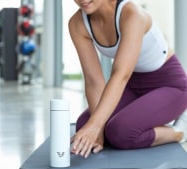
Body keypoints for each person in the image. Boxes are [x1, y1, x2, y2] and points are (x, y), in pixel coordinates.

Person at [69, 0, 187, 158]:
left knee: (120, 133)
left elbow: (120, 74)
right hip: (132, 86)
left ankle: (179, 131)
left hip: (170, 86)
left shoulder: (132, 14)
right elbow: (93, 80)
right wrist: (95, 129)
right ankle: (145, 118)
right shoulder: (78, 24)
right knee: (84, 124)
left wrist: (96, 125)